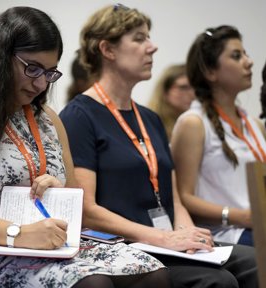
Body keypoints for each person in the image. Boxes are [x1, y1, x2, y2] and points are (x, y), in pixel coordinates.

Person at [0, 6, 169, 288]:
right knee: (92, 284)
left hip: (41, 246)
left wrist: (57, 192)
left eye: (49, 73)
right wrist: (16, 233)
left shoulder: (47, 119)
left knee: (151, 272)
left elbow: (76, 198)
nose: (39, 83)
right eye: (32, 69)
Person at [59, 5, 258, 288]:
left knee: (257, 262)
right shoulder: (80, 116)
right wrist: (162, 238)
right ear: (108, 50)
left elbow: (174, 199)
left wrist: (191, 236)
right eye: (139, 39)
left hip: (165, 242)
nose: (152, 47)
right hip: (123, 248)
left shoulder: (149, 118)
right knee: (218, 281)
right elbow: (86, 209)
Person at [171, 25, 266, 247]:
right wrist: (239, 216)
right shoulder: (193, 123)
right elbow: (184, 197)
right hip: (226, 234)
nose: (249, 62)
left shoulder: (254, 125)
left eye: (246, 54)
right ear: (210, 72)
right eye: (236, 56)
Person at [147, 64, 195, 139]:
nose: (193, 94)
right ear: (165, 90)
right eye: (184, 87)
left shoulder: (197, 122)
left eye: (195, 87)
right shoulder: (150, 123)